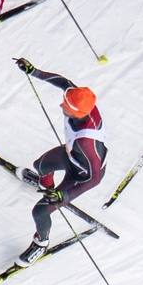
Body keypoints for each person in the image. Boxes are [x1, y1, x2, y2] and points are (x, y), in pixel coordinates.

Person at [11, 59, 106, 266]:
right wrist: (33, 71)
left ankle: (41, 243)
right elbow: (63, 82)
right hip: (72, 155)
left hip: (80, 174)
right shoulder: (82, 102)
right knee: (41, 165)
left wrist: (66, 195)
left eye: (66, 106)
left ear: (77, 113)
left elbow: (95, 178)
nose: (61, 104)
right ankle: (45, 186)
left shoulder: (86, 142)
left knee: (40, 211)